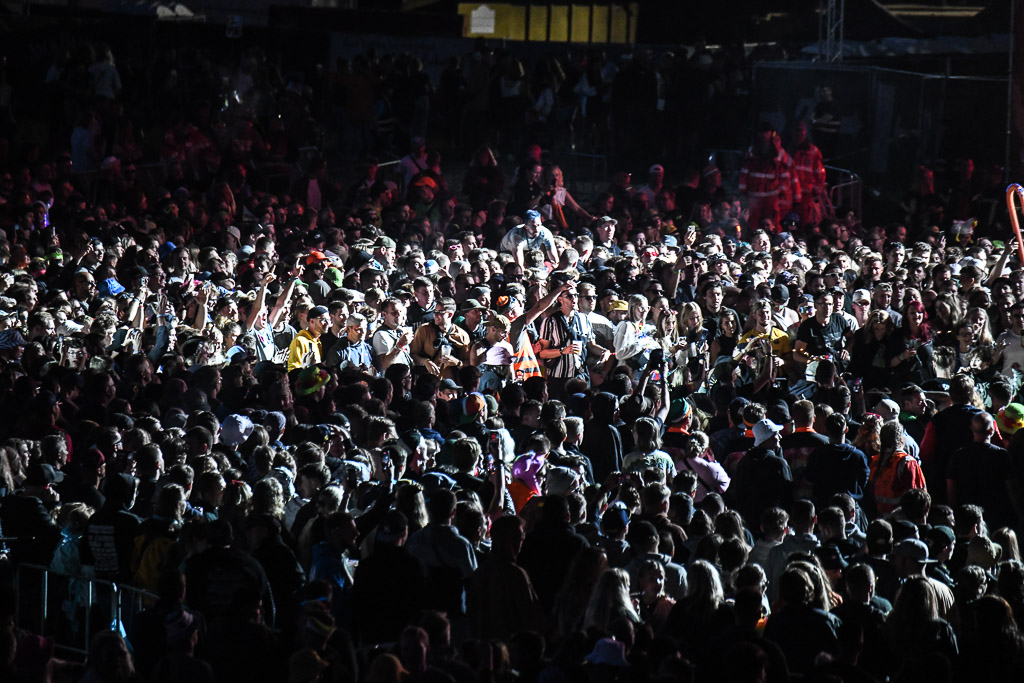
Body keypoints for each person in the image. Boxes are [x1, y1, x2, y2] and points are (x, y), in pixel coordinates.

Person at [287, 305, 329, 372]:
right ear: (312, 321)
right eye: (323, 320)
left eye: (328, 320)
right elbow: (293, 368)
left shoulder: (317, 342)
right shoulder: (300, 341)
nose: (327, 323)